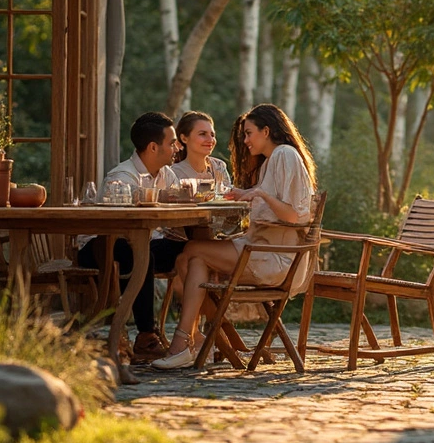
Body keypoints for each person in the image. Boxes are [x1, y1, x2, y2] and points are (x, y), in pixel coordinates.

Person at [151, 103, 317, 369]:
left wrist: (260, 194)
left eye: (249, 133)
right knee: (186, 261)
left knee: (193, 249)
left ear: (266, 130)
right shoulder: (271, 163)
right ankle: (189, 342)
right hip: (260, 248)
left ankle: (184, 343)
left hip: (275, 257)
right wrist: (245, 197)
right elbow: (273, 211)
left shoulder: (285, 155)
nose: (245, 140)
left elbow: (294, 216)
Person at [76, 111, 184, 362]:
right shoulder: (121, 177)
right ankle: (146, 337)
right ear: (153, 147)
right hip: (100, 247)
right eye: (172, 142)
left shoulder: (166, 174)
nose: (176, 148)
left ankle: (192, 334)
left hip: (143, 243)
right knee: (140, 255)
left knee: (192, 250)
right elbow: (116, 226)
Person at [165, 110, 232, 193]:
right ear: (184, 138)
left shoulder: (218, 166)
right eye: (202, 134)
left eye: (212, 135)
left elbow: (228, 196)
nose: (210, 140)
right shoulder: (173, 173)